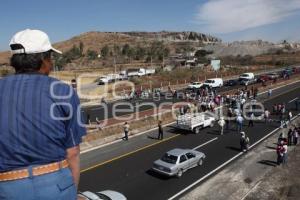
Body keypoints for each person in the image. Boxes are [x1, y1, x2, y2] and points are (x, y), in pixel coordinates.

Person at [0, 29, 86, 200]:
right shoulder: (63, 91)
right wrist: (71, 192)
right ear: (43, 60)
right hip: (56, 186)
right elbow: (73, 152)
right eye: (50, 58)